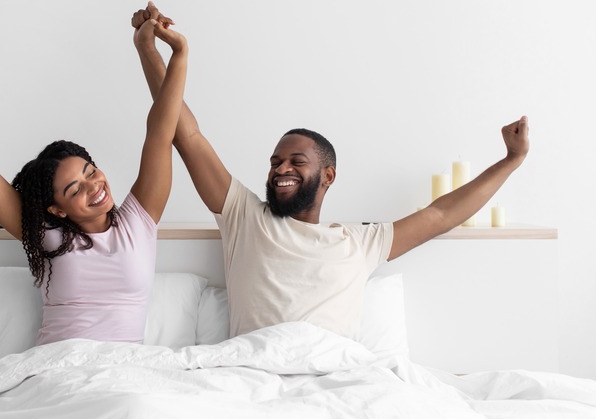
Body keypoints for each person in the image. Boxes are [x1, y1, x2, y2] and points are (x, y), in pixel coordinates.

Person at [131, 3, 530, 339]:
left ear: (328, 175)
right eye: (274, 162)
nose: (280, 169)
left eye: (295, 162)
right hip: (251, 376)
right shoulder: (245, 217)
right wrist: (149, 49)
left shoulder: (359, 242)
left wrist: (510, 161)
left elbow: (441, 215)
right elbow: (188, 136)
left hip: (333, 377)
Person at [0, 17, 188, 346]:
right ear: (57, 209)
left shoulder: (138, 222)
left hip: (124, 374)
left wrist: (177, 54)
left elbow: (160, 132)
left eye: (90, 171)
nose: (93, 186)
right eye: (74, 189)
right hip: (56, 372)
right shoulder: (47, 237)